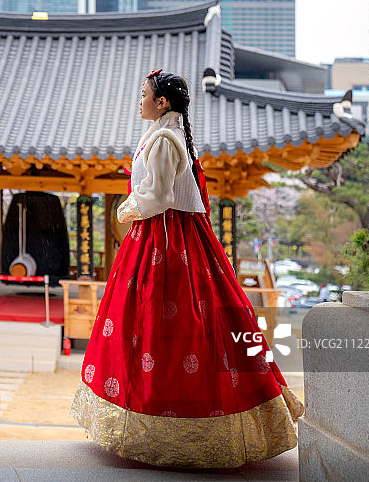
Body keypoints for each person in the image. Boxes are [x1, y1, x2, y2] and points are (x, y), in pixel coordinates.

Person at [70, 69, 304, 468]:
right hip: (176, 237)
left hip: (163, 238)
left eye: (144, 95)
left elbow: (158, 197)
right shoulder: (169, 135)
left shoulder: (164, 138)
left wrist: (127, 210)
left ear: (162, 102)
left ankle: (157, 420)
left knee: (154, 323)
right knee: (197, 325)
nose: (139, 101)